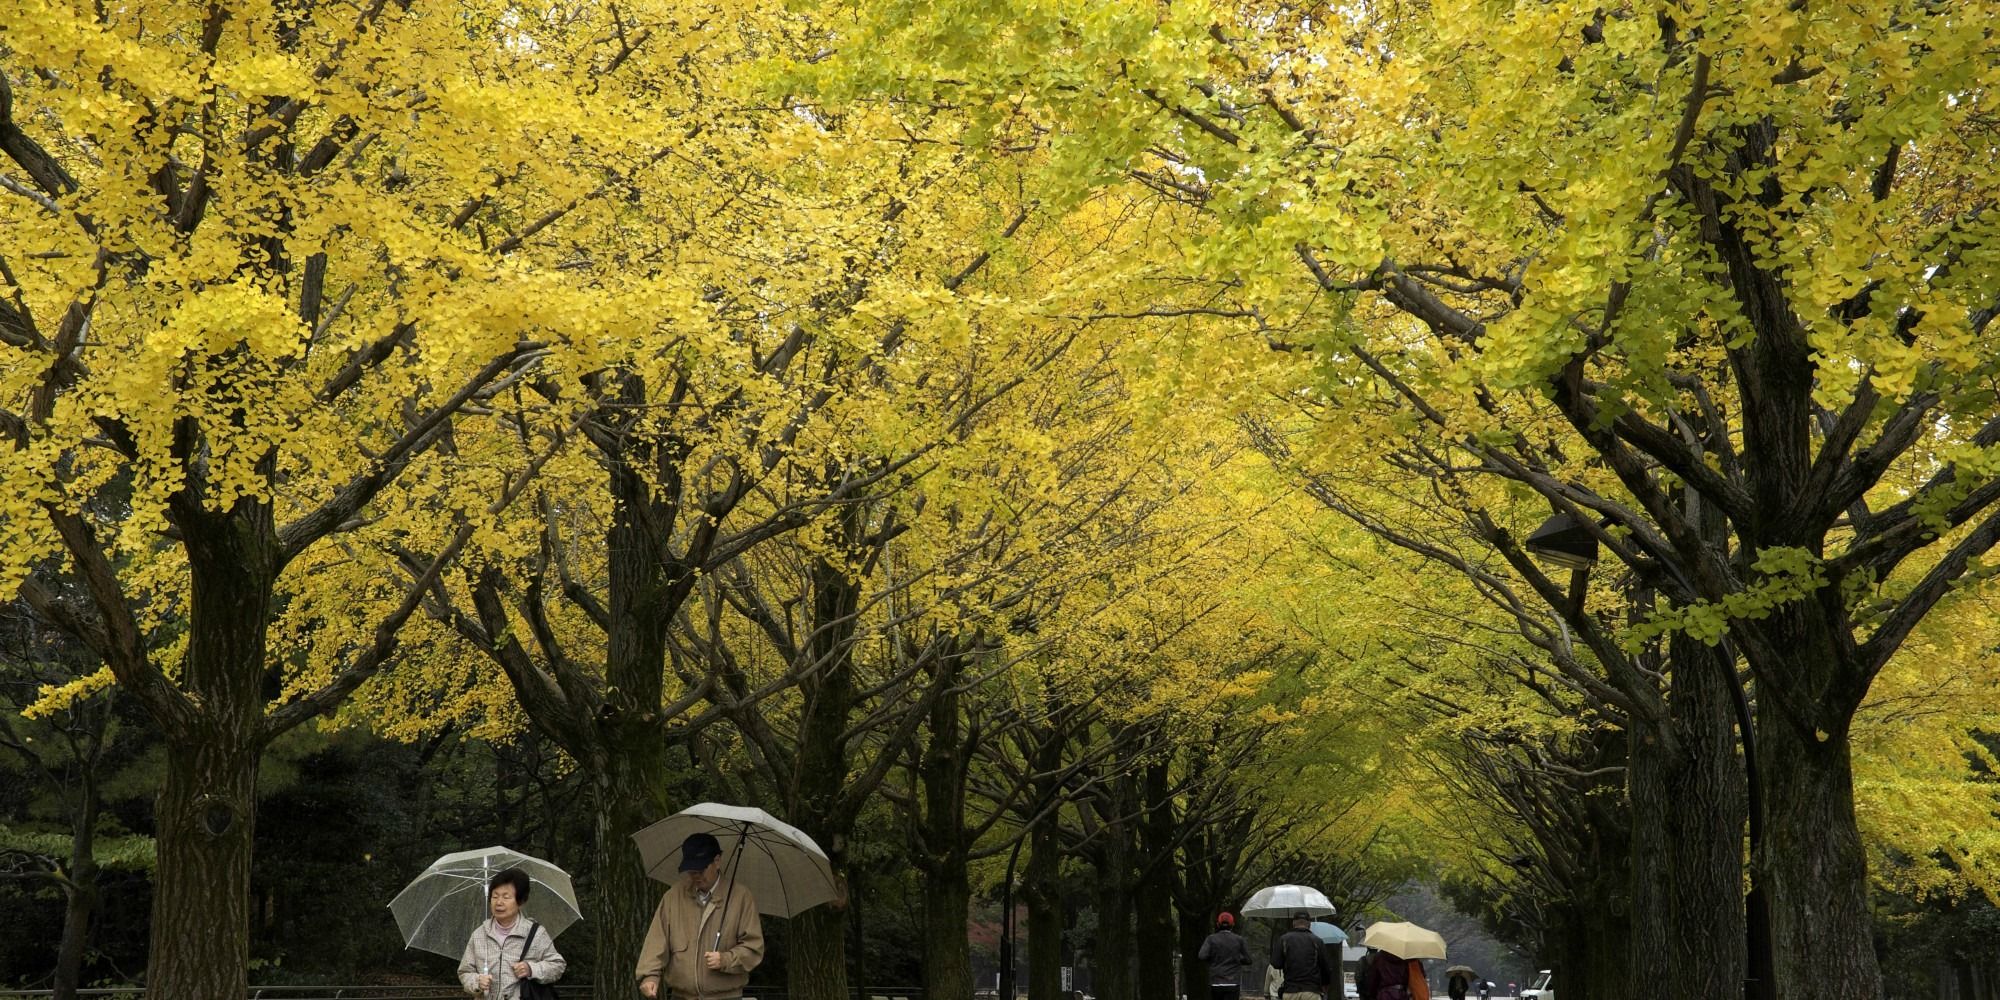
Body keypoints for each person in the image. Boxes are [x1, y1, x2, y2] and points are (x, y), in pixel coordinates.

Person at [636, 832, 765, 1000]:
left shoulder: (741, 897)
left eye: (701, 869)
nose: (695, 875)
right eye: (691, 870)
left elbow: (753, 948)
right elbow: (657, 939)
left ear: (717, 861)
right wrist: (650, 976)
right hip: (680, 996)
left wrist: (726, 959)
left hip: (726, 997)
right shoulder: (674, 896)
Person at [456, 868, 566, 999]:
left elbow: (557, 966)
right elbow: (465, 972)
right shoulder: (479, 934)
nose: (499, 902)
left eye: (506, 897)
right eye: (495, 896)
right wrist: (477, 982)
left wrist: (531, 969)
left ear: (520, 901)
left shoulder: (536, 933)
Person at [1269, 911, 1335, 1000]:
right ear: (1309, 924)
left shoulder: (1284, 939)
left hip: (1290, 991)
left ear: (1293, 923)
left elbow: (1276, 964)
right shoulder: (1317, 941)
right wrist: (1325, 985)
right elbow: (1326, 968)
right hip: (1311, 992)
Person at [1197, 911, 1251, 1000]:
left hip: (1216, 982)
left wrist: (1213, 959)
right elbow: (1248, 960)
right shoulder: (1239, 940)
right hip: (1233, 982)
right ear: (1233, 924)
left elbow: (1202, 956)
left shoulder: (1211, 939)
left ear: (1218, 924)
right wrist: (1237, 959)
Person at [1355, 947, 1428, 1000]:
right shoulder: (1406, 959)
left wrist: (1371, 994)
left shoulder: (1379, 957)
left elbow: (1373, 980)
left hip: (1384, 995)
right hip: (1401, 994)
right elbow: (1412, 978)